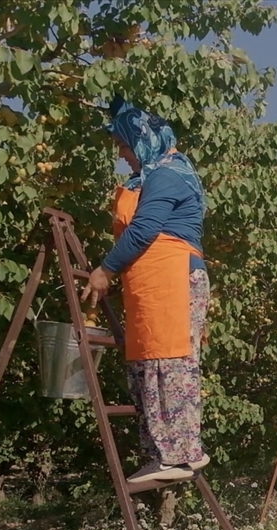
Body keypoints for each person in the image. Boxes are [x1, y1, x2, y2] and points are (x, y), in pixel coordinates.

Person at [81, 97, 210, 483]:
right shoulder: (151, 175)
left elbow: (144, 228)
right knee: (149, 365)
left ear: (141, 140)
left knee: (169, 363)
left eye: (123, 146)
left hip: (172, 278)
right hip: (151, 284)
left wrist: (105, 270)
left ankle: (184, 453)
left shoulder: (169, 173)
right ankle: (161, 454)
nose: (122, 155)